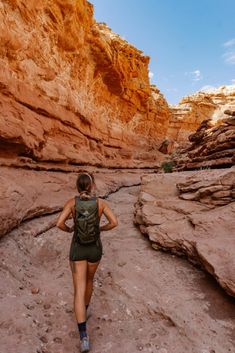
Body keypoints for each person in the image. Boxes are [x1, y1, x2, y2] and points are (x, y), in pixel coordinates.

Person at [56, 172, 118, 352]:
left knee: (78, 290)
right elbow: (114, 222)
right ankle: (86, 309)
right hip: (94, 249)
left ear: (77, 186)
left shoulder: (71, 203)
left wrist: (69, 231)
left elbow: (59, 223)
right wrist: (100, 229)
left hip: (78, 249)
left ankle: (84, 336)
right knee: (90, 281)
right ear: (91, 186)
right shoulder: (100, 203)